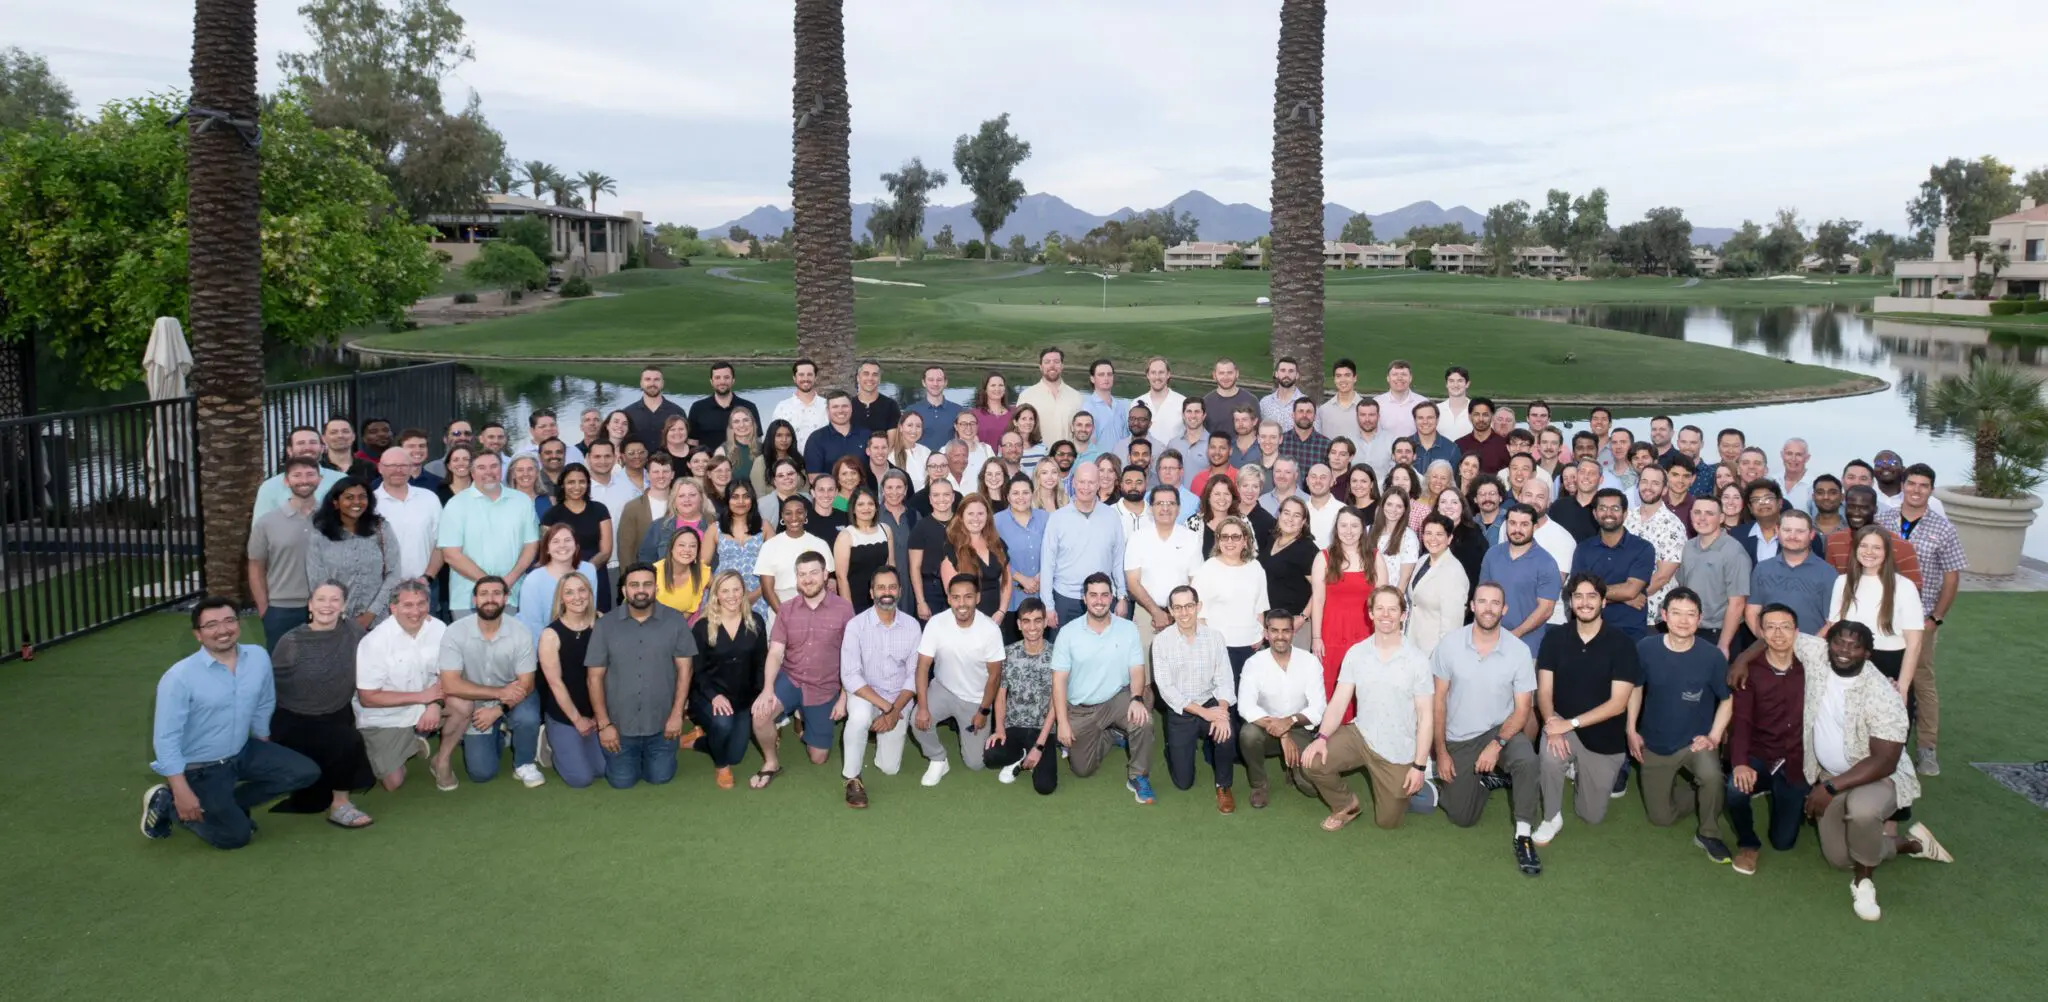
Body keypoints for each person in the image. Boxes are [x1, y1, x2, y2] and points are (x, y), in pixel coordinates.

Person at [141, 597, 321, 847]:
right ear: (198, 634)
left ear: (238, 623)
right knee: (235, 836)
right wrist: (180, 789)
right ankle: (169, 803)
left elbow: (264, 701)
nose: (223, 630)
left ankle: (224, 807)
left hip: (242, 751)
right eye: (211, 625)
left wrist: (263, 741)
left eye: (229, 620)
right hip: (200, 768)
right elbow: (166, 738)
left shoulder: (257, 656)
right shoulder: (178, 678)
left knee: (305, 772)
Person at [1801, 622, 1950, 921]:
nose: (1844, 651)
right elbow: (1778, 634)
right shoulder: (1817, 655)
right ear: (1828, 643)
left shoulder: (1882, 693)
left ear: (1868, 653)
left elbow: (1884, 761)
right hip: (1831, 775)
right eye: (1839, 643)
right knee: (1839, 858)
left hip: (1878, 777)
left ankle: (1864, 883)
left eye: (1854, 646)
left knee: (1862, 811)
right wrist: (1741, 660)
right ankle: (1913, 844)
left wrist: (1828, 788)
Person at [1432, 583, 1544, 875]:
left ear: (1504, 609)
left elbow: (1523, 709)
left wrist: (1497, 745)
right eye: (1482, 601)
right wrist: (1441, 752)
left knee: (1527, 760)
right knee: (1461, 817)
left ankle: (1523, 835)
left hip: (1501, 730)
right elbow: (1438, 702)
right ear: (1472, 606)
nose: (1488, 608)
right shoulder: (1449, 645)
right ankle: (1485, 780)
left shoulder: (1518, 650)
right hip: (1461, 736)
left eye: (1495, 603)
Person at [1302, 586, 1436, 829]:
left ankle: (1414, 785)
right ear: (1371, 614)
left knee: (1388, 822)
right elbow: (1339, 702)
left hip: (1397, 749)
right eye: (1380, 608)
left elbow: (1426, 718)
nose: (1386, 615)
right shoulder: (1356, 653)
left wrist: (1419, 766)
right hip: (1361, 736)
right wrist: (1322, 737)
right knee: (1313, 762)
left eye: (1392, 609)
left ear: (1403, 615)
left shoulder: (1417, 661)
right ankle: (1346, 805)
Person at [1532, 574, 1641, 845]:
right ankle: (1551, 817)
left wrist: (1570, 724)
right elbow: (1544, 691)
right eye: (1578, 596)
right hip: (1563, 723)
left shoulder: (1622, 643)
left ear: (1603, 601)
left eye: (1592, 596)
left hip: (1604, 735)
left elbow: (1618, 704)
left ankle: (1579, 769)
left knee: (1591, 815)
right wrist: (1551, 722)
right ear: (1570, 602)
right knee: (1550, 753)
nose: (1585, 602)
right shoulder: (1554, 638)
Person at [1626, 587, 1733, 864]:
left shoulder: (1712, 657)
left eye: (1690, 614)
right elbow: (1636, 688)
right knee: (1661, 818)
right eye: (1676, 613)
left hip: (1694, 742)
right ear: (1664, 615)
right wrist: (1631, 729)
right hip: (1656, 742)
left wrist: (1713, 736)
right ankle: (1703, 794)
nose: (1683, 621)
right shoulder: (1646, 648)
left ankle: (1709, 833)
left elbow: (1727, 700)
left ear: (1700, 618)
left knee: (1711, 776)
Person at [1875, 463, 1964, 776]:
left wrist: (1936, 618)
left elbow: (1952, 577)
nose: (1916, 490)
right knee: (1878, 675)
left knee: (1921, 680)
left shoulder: (1943, 528)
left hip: (1920, 618)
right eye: (1911, 483)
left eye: (1923, 485)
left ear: (1931, 490)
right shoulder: (1883, 519)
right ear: (1903, 485)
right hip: (1882, 615)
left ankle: (1927, 748)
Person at [263, 581, 375, 826]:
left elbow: (379, 652)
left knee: (347, 741)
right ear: (310, 605)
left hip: (337, 713)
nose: (328, 605)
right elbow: (267, 684)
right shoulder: (292, 641)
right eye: (321, 599)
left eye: (335, 600)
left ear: (344, 605)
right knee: (313, 797)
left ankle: (340, 804)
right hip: (296, 719)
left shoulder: (353, 632)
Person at [586, 563, 698, 789]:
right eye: (634, 585)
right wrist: (604, 725)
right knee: (621, 782)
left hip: (662, 725)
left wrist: (677, 715)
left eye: (647, 584)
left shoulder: (675, 621)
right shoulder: (605, 625)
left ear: (656, 588)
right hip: (619, 726)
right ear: (624, 590)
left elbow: (686, 670)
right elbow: (594, 678)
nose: (640, 590)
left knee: (660, 777)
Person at [751, 551, 855, 785]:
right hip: (791, 679)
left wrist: (844, 697)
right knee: (760, 716)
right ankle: (771, 762)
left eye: (814, 573)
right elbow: (775, 652)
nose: (808, 579)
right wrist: (767, 689)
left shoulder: (844, 609)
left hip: (824, 687)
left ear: (825, 574)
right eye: (802, 574)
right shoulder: (786, 609)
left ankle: (807, 719)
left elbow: (852, 657)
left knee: (818, 758)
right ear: (797, 578)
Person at [1050, 573, 1156, 802]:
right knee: (1082, 770)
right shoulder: (1068, 633)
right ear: (1084, 598)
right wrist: (1063, 723)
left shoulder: (1127, 628)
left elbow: (1137, 669)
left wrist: (1136, 699)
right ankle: (1111, 734)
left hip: (1116, 699)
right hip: (1081, 709)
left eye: (1104, 595)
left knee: (1143, 720)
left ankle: (1138, 776)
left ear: (1111, 597)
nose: (1099, 601)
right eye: (1093, 595)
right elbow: (1058, 681)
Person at [1723, 603, 1812, 872]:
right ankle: (1748, 844)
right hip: (1760, 753)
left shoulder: (1812, 667)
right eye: (1770, 627)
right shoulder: (1749, 670)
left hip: (1796, 758)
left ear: (1796, 632)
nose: (1778, 634)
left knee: (1783, 842)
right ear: (1761, 633)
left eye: (1785, 627)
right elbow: (1741, 721)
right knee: (1735, 788)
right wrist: (1740, 763)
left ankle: (1794, 800)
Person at [834, 567, 933, 806]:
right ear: (871, 593)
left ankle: (876, 734)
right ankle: (852, 778)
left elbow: (914, 674)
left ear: (900, 591)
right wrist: (888, 709)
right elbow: (850, 676)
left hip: (898, 697)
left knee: (889, 768)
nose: (886, 592)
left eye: (891, 587)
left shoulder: (912, 626)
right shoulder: (856, 625)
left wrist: (896, 709)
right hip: (866, 693)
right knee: (858, 719)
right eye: (880, 587)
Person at [430, 577, 541, 789]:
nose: (490, 599)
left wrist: (498, 710)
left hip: (517, 695)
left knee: (527, 717)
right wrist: (499, 693)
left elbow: (527, 684)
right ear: (474, 600)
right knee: (482, 773)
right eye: (484, 594)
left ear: (506, 598)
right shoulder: (455, 631)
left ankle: (524, 763)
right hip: (477, 699)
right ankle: (497, 735)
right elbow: (450, 685)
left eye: (497, 593)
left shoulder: (520, 632)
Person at [1148, 585, 1240, 811]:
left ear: (1198, 606)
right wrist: (1204, 713)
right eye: (1178, 608)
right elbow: (1166, 689)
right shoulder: (1161, 642)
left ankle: (1223, 785)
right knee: (1183, 783)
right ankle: (1173, 749)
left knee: (1226, 733)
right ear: (1170, 611)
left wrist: (1221, 712)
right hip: (1181, 710)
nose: (1184, 613)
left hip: (1210, 701)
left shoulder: (1215, 637)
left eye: (1189, 606)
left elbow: (1225, 679)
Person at [911, 574, 1008, 783]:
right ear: (949, 599)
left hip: (975, 699)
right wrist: (923, 707)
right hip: (943, 689)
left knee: (976, 763)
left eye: (968, 597)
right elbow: (922, 668)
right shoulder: (936, 623)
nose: (962, 604)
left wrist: (983, 711)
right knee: (916, 720)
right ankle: (938, 758)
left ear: (978, 598)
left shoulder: (990, 630)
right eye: (956, 597)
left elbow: (994, 676)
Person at [353, 580, 445, 792]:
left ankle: (443, 759)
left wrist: (435, 704)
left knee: (462, 705)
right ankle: (412, 742)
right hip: (385, 717)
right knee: (393, 783)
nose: (416, 611)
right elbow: (368, 698)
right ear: (393, 608)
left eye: (421, 604)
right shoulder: (374, 642)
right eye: (408, 605)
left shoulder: (439, 628)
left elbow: (449, 673)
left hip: (429, 703)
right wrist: (422, 697)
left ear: (429, 604)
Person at [688, 571, 769, 789]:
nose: (731, 596)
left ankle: (698, 741)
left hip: (743, 698)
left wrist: (761, 694)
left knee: (736, 755)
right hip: (710, 695)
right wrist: (714, 696)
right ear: (716, 595)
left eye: (736, 589)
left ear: (743, 591)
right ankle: (721, 766)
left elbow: (761, 664)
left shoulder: (756, 621)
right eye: (725, 591)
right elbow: (698, 672)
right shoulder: (702, 627)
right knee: (723, 724)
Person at [437, 452, 540, 617]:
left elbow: (531, 546)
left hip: (512, 595)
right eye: (481, 467)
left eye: (494, 466)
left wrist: (508, 581)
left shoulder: (522, 501)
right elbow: (451, 555)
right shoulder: (456, 504)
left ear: (501, 469)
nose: (488, 472)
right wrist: (491, 586)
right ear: (472, 473)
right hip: (468, 599)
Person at [1828, 526, 1924, 698]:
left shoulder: (1904, 587)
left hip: (1889, 665)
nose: (1869, 552)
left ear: (1886, 552)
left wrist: (1902, 688)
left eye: (1877, 547)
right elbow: (1833, 628)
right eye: (1864, 546)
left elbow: (1914, 643)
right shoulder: (1842, 582)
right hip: (1849, 664)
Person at [982, 599, 1062, 793]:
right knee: (991, 756)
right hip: (1014, 726)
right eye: (1026, 621)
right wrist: (999, 729)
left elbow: (1056, 703)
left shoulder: (1057, 655)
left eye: (1037, 620)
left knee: (1045, 786)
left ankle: (1032, 754)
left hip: (1042, 729)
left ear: (1045, 622)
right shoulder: (1008, 653)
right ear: (1018, 624)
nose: (1032, 627)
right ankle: (1020, 755)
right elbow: (1001, 695)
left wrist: (1039, 746)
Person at [535, 572, 604, 789]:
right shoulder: (550, 634)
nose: (577, 597)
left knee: (603, 769)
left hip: (595, 710)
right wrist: (577, 720)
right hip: (564, 713)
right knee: (581, 779)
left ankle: (578, 741)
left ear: (590, 593)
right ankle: (549, 740)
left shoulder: (601, 623)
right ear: (562, 598)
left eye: (582, 590)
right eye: (569, 592)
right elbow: (555, 683)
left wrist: (600, 715)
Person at [248, 457, 321, 654]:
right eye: (297, 475)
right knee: (283, 665)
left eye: (310, 474)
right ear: (286, 481)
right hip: (282, 608)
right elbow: (255, 567)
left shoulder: (331, 518)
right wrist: (264, 609)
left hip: (325, 606)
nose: (304, 480)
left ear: (319, 479)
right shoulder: (266, 522)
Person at [1040, 463, 1127, 628]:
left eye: (1091, 482)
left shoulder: (1112, 516)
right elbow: (1047, 564)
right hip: (1065, 599)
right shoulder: (1057, 518)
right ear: (1073, 482)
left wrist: (1122, 596)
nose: (1086, 487)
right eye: (1081, 482)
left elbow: (1118, 560)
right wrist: (1048, 605)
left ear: (1098, 484)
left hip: (1101, 600)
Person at [1310, 506, 1376, 720]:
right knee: (1332, 685)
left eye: (1354, 525)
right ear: (1336, 528)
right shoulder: (1324, 557)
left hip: (1366, 635)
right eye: (1343, 525)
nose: (1349, 531)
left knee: (1365, 686)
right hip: (1332, 634)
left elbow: (1383, 601)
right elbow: (1318, 600)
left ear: (1362, 529)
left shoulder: (1375, 558)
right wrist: (1316, 638)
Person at [1191, 515, 1270, 683]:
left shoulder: (1256, 568)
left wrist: (1259, 634)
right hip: (1219, 648)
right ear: (1218, 540)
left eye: (1236, 537)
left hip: (1250, 645)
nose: (1230, 541)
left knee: (1247, 695)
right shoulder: (1208, 569)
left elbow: (1260, 607)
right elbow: (1198, 613)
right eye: (1224, 536)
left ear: (1245, 540)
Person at [1570, 488, 1655, 639]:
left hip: (1630, 632)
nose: (1608, 513)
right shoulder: (1583, 549)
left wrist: (1593, 596)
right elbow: (1576, 593)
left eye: (1615, 508)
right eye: (1602, 508)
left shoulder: (1643, 548)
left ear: (1625, 513)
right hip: (1589, 630)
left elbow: (1630, 591)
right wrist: (1623, 598)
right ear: (1595, 514)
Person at [1674, 496, 1749, 657]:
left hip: (1719, 634)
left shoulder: (1734, 552)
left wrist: (1723, 644)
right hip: (1690, 630)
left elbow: (1737, 603)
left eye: (1709, 513)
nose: (1702, 518)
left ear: (1721, 518)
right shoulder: (1688, 547)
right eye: (1697, 512)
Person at [1746, 510, 1836, 640]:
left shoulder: (1828, 573)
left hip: (1812, 648)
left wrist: (1809, 646)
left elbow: (1832, 621)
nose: (1792, 536)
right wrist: (1767, 641)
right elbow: (1752, 611)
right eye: (1787, 530)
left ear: (1811, 534)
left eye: (1800, 531)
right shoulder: (1762, 569)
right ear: (1777, 531)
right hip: (1770, 646)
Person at [1479, 504, 1560, 649]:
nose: (1517, 529)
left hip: (1528, 647)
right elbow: (1482, 597)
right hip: (1490, 643)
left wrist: (1514, 635)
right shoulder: (1492, 555)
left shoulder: (1547, 563)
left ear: (1534, 527)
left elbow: (1546, 609)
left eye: (1524, 524)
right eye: (1512, 523)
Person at [372, 447, 443, 607]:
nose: (398, 470)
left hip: (425, 586)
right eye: (392, 465)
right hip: (382, 590)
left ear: (411, 468)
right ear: (380, 468)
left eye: (404, 465)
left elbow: (441, 543)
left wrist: (427, 577)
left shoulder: (429, 498)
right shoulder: (370, 502)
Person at [540, 463, 614, 604]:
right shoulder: (551, 515)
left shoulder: (600, 510)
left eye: (582, 482)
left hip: (595, 573)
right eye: (571, 482)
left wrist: (585, 572)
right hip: (561, 579)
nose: (577, 486)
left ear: (588, 484)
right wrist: (569, 575)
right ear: (562, 485)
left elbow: (606, 552)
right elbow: (546, 551)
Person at [756, 496, 835, 612]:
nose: (794, 517)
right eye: (788, 513)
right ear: (782, 516)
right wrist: (784, 616)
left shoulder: (820, 544)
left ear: (805, 514)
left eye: (799, 512)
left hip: (815, 608)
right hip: (780, 607)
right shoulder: (769, 546)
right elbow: (767, 590)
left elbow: (824, 584)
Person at [516, 524, 597, 637]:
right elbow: (532, 627)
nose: (562, 545)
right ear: (547, 549)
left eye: (567, 540)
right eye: (555, 541)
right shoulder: (533, 581)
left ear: (576, 546)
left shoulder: (589, 570)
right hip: (545, 641)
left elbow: (590, 611)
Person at [1406, 515, 1470, 656]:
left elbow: (1452, 622)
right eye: (1428, 533)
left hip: (1434, 651)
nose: (1433, 539)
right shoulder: (1422, 560)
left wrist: (1442, 656)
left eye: (1439, 534)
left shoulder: (1453, 572)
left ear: (1449, 538)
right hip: (1413, 643)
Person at [1261, 497, 1319, 635]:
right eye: (1286, 513)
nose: (1290, 519)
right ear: (1279, 514)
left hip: (1293, 625)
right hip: (1269, 622)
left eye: (1296, 515)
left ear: (1303, 521)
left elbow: (1321, 588)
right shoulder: (1271, 539)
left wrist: (1303, 617)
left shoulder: (1307, 548)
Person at [996, 476, 1047, 632]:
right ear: (1007, 497)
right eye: (1015, 493)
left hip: (1043, 594)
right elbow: (994, 557)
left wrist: (1042, 575)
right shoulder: (996, 521)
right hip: (1011, 597)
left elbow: (1056, 552)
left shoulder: (1046, 518)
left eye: (1025, 492)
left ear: (1032, 494)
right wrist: (1021, 578)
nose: (1021, 497)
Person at [833, 487, 894, 614]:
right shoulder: (846, 536)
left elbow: (891, 567)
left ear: (876, 507)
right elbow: (841, 577)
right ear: (853, 509)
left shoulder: (885, 530)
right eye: (860, 504)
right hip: (856, 602)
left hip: (882, 598)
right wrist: (849, 610)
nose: (866, 508)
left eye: (870, 504)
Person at [615, 453, 675, 573]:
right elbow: (625, 549)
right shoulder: (633, 507)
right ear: (647, 475)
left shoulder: (683, 504)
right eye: (656, 472)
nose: (661, 476)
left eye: (665, 471)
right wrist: (629, 578)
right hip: (645, 573)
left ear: (672, 474)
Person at [907, 477, 957, 620]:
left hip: (959, 588)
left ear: (953, 497)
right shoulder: (921, 527)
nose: (941, 499)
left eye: (946, 494)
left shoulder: (962, 524)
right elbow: (915, 567)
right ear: (930, 499)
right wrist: (921, 601)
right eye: (936, 495)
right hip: (931, 592)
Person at [1015, 347, 1081, 447]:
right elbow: (1018, 431)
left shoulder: (1076, 396)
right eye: (1047, 362)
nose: (1052, 365)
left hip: (1067, 455)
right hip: (1037, 454)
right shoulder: (1026, 396)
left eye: (1056, 361)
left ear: (1062, 366)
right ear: (1041, 367)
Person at [684, 361, 758, 449]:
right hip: (708, 457)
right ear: (711, 381)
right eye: (717, 378)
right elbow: (692, 442)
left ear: (733, 380)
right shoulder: (698, 408)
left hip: (742, 457)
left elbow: (757, 440)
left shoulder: (749, 407)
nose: (722, 381)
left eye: (726, 377)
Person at [623, 366, 687, 452]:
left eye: (656, 379)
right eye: (647, 379)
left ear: (662, 383)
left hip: (670, 460)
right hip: (638, 460)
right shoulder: (628, 413)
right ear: (641, 383)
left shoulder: (677, 412)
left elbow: (686, 441)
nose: (652, 383)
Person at [771, 358, 829, 451]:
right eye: (801, 375)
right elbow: (773, 438)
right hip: (791, 459)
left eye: (809, 374)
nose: (805, 379)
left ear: (816, 378)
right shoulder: (782, 407)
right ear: (794, 378)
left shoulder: (827, 406)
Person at [654, 526, 711, 621]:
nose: (687, 550)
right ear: (671, 548)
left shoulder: (702, 572)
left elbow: (722, 588)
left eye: (692, 546)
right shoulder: (654, 572)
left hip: (680, 627)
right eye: (681, 545)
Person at [1372, 359, 1428, 441]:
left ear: (1410, 378)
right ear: (1388, 378)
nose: (1399, 378)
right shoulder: (1377, 403)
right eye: (1395, 374)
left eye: (1404, 374)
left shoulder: (1423, 403)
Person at [1201, 357, 1256, 437]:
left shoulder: (1251, 400)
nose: (1226, 377)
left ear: (1237, 374)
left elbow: (1258, 432)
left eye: (1230, 373)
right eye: (1221, 373)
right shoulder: (1205, 402)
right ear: (1214, 375)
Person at [1317, 357, 1366, 444]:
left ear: (1355, 378)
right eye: (1338, 376)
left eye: (1347, 375)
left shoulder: (1366, 409)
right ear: (1334, 379)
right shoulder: (1323, 410)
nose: (1343, 380)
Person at [849, 359, 901, 437]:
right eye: (866, 374)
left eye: (875, 374)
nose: (870, 378)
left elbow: (892, 440)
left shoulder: (891, 405)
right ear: (858, 378)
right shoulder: (848, 405)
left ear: (879, 379)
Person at [319, 416, 375, 480]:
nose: (340, 436)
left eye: (345, 431)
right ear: (323, 439)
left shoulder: (368, 467)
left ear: (353, 436)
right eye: (333, 432)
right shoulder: (318, 468)